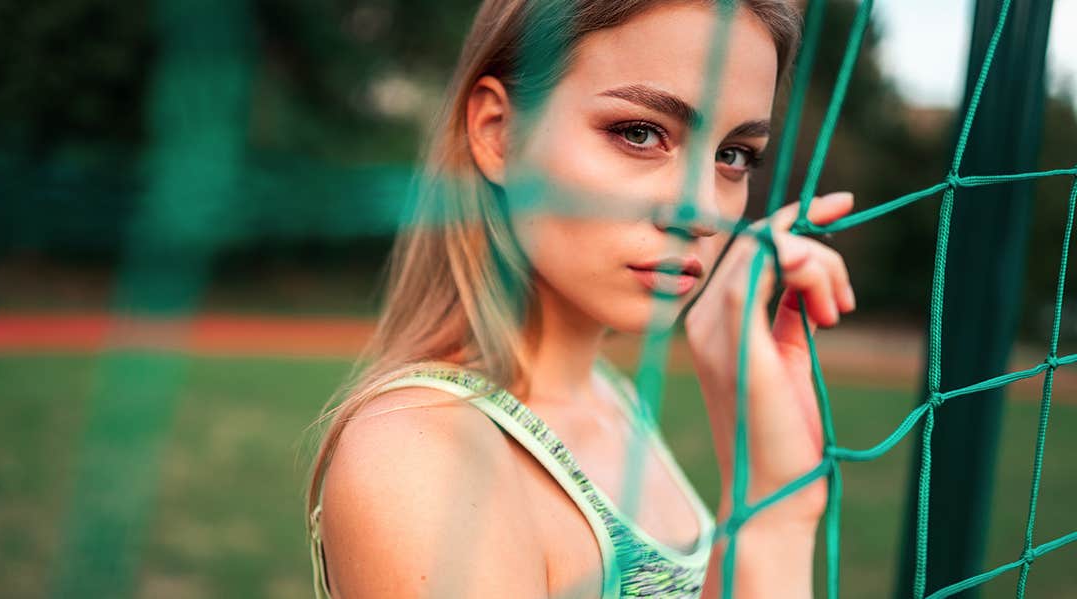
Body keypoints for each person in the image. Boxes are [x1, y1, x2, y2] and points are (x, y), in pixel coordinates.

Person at [304, 0, 857, 596]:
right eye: (640, 133)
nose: (700, 210)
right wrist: (769, 521)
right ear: (498, 133)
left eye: (733, 155)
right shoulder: (421, 453)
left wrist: (775, 489)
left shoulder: (610, 400)